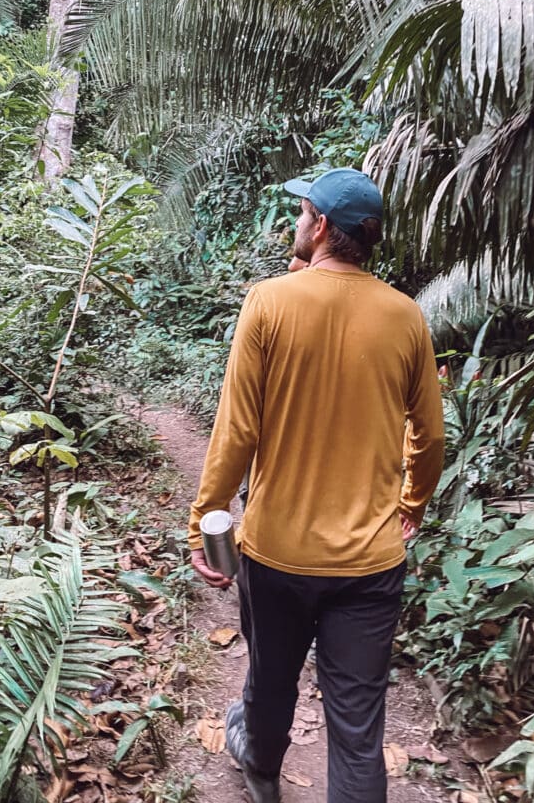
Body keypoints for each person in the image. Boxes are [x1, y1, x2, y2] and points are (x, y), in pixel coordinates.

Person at [188, 168, 444, 803]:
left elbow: (237, 429)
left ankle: (262, 771)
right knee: (358, 729)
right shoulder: (406, 316)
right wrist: (411, 503)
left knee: (270, 681)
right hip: (370, 563)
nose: (295, 223)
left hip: (278, 553)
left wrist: (205, 520)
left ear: (322, 226)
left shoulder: (269, 302)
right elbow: (430, 437)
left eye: (302, 212)